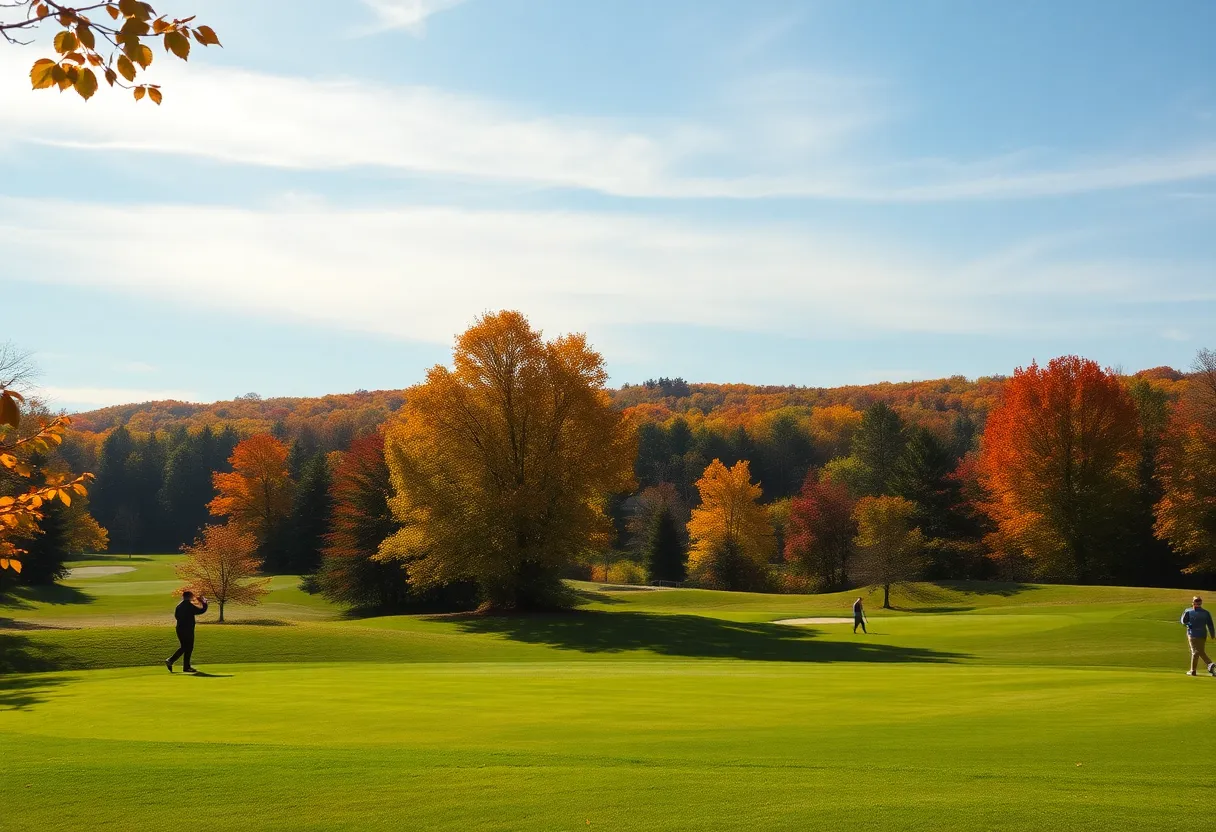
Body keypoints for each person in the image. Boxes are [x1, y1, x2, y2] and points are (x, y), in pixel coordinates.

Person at [166, 590, 209, 673]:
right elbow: (201, 610)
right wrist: (205, 603)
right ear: (190, 597)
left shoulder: (179, 606)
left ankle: (185, 666)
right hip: (188, 629)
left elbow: (176, 616)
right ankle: (172, 661)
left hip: (179, 629)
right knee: (188, 647)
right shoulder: (189, 605)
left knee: (185, 647)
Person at [1180, 596, 1216, 677]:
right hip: (1202, 634)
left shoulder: (1188, 611)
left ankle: (1208, 665)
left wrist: (1188, 624)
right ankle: (1196, 670)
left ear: (1193, 603)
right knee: (1199, 652)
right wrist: (1213, 634)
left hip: (1192, 634)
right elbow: (1210, 625)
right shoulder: (1206, 613)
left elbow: (1183, 621)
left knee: (1195, 652)